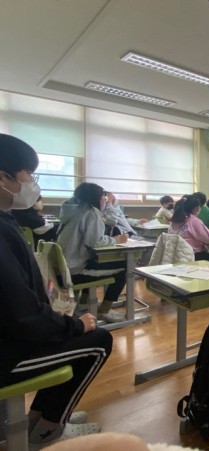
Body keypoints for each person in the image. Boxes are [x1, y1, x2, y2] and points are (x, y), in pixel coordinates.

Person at [0, 134, 112, 446]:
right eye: (28, 174)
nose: (33, 183)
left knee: (74, 330)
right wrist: (73, 325)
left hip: (14, 331)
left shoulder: (11, 220)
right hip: (8, 349)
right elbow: (22, 316)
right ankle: (50, 428)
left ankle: (36, 420)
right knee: (98, 340)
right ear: (3, 177)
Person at [58, 183, 129, 323]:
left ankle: (84, 302)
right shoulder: (91, 214)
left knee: (96, 261)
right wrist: (117, 240)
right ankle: (104, 310)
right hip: (75, 271)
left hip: (64, 268)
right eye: (103, 197)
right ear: (95, 198)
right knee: (125, 267)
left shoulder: (73, 211)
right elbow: (95, 242)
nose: (105, 200)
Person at [168, 195, 209, 264]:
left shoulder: (174, 220)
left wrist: (208, 231)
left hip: (176, 256)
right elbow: (208, 239)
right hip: (192, 255)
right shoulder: (193, 220)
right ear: (196, 208)